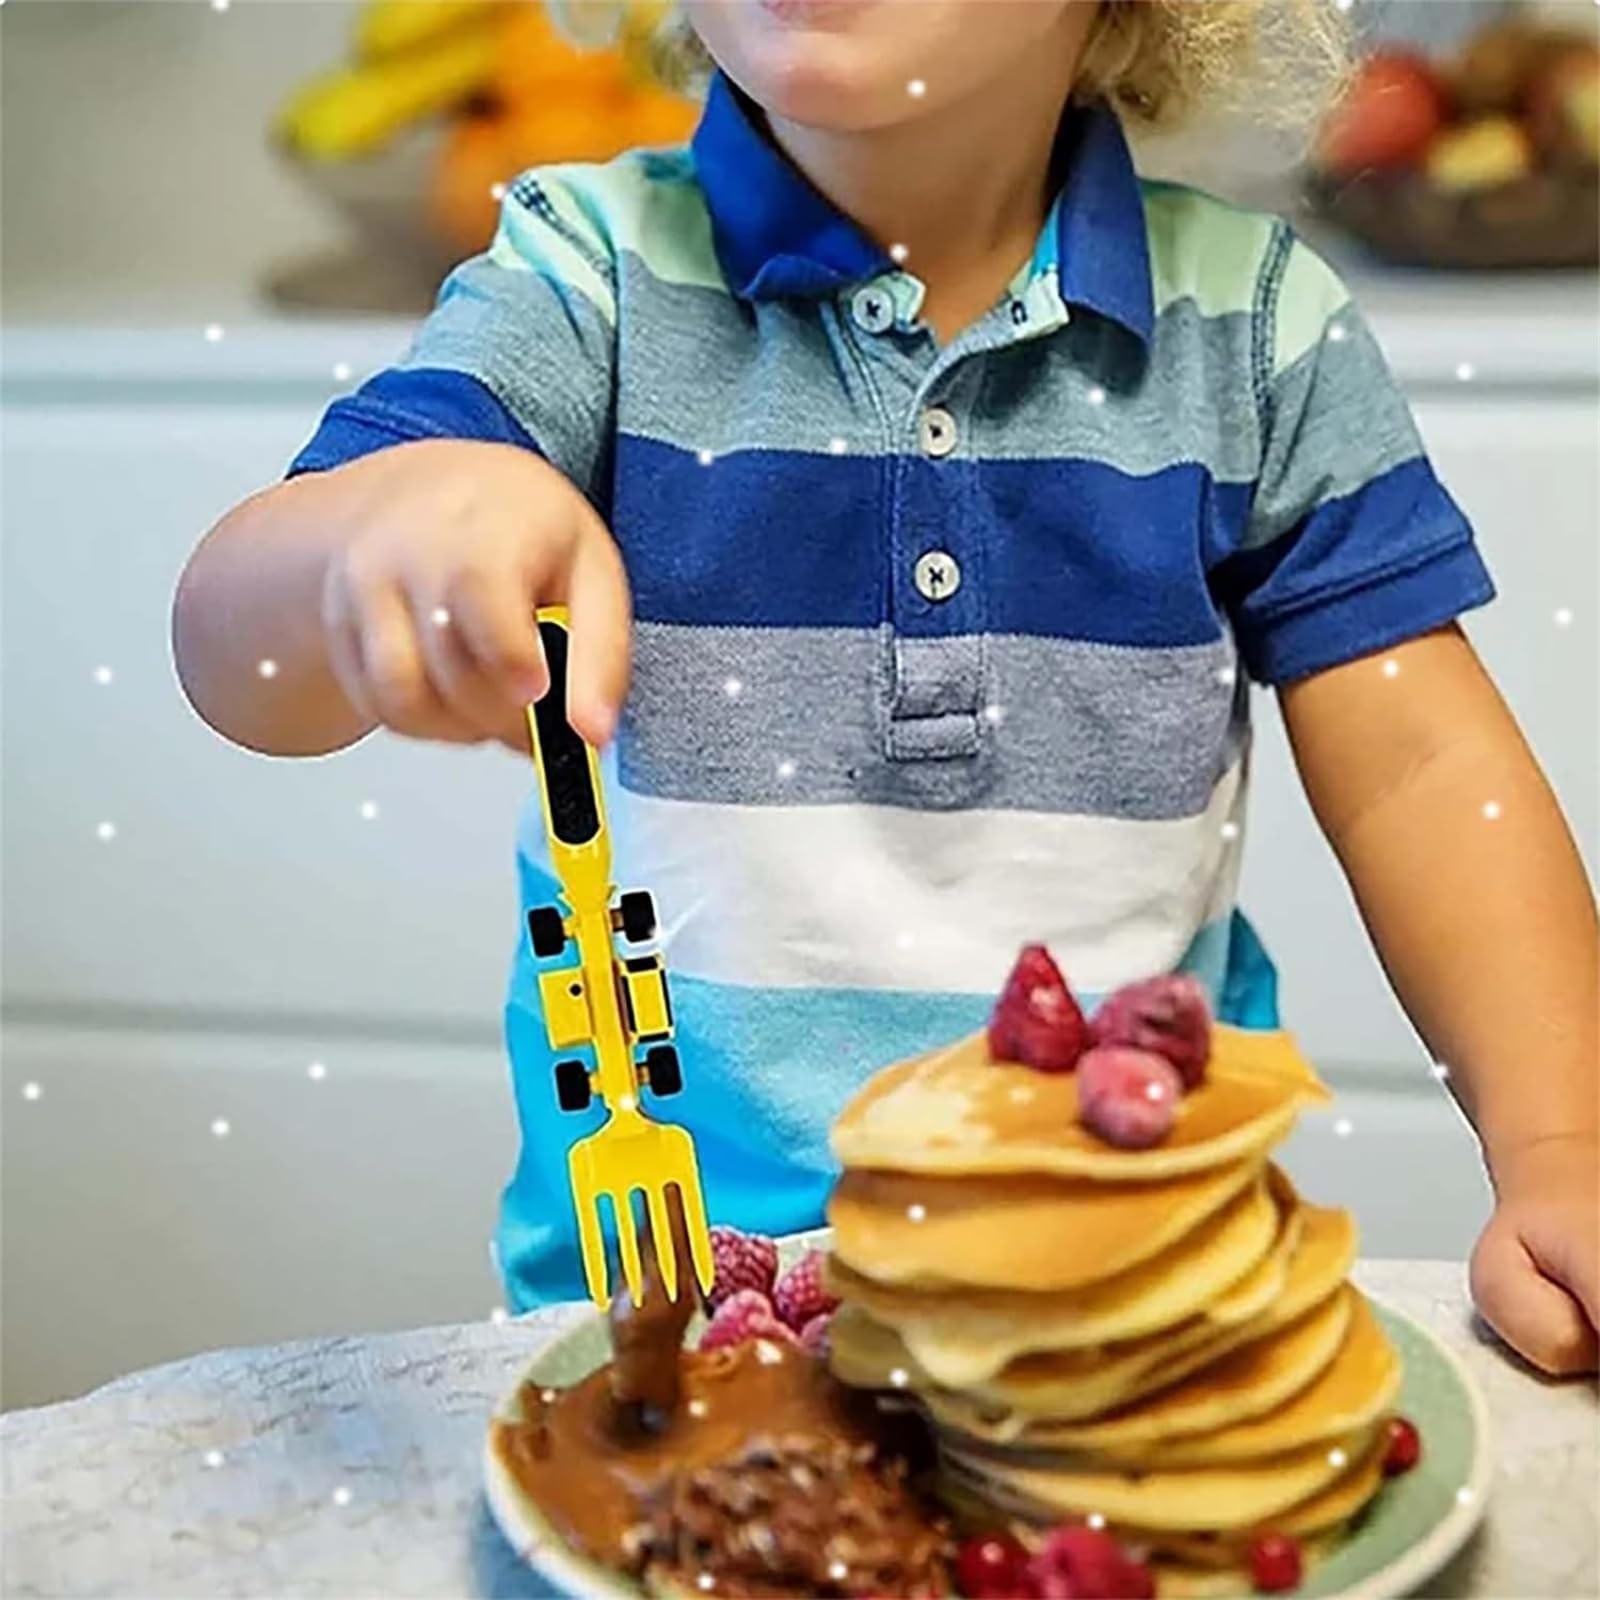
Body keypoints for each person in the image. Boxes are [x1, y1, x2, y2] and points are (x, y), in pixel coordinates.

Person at [172, 0, 1598, 1373]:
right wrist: (375, 534)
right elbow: (237, 666)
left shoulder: (1260, 327)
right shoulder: (586, 272)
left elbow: (1423, 768)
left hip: (1133, 1305)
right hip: (670, 1318)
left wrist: (1563, 1146)